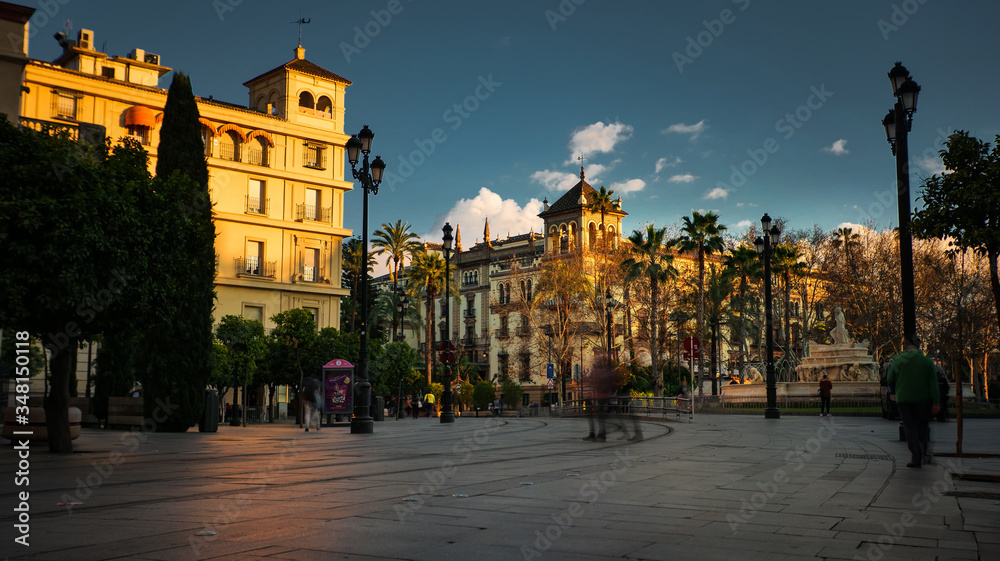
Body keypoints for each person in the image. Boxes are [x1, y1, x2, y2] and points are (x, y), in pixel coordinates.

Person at [887, 335, 940, 468]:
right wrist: (936, 402)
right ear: (918, 347)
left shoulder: (898, 361)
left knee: (909, 428)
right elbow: (934, 384)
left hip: (904, 399)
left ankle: (916, 457)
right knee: (923, 426)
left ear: (905, 346)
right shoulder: (926, 361)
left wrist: (895, 391)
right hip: (923, 399)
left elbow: (890, 379)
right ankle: (925, 452)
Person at [583, 353, 615, 442]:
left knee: (600, 417)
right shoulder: (604, 372)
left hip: (604, 399)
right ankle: (598, 434)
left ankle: (598, 434)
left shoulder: (604, 373)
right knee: (600, 417)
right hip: (603, 398)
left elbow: (604, 386)